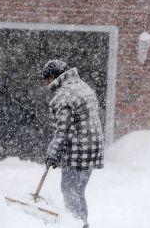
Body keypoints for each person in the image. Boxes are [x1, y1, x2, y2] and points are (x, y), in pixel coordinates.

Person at [42, 59, 104, 228]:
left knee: (69, 189)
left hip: (78, 151)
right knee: (78, 191)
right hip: (93, 148)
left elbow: (62, 130)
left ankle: (74, 224)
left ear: (53, 77)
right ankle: (82, 223)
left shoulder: (64, 96)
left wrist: (52, 153)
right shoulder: (84, 87)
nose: (46, 83)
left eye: (46, 79)